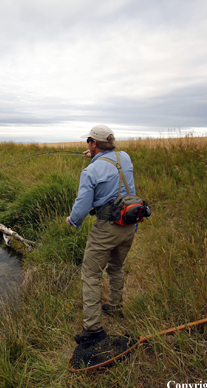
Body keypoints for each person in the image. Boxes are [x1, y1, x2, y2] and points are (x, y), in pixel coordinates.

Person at [65, 125, 137, 344]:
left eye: (89, 141)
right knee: (116, 267)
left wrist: (73, 220)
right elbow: (110, 162)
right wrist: (95, 157)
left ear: (93, 143)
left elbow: (82, 205)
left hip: (106, 226)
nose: (87, 144)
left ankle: (93, 328)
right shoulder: (124, 157)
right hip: (130, 223)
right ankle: (115, 307)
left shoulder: (90, 172)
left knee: (91, 274)